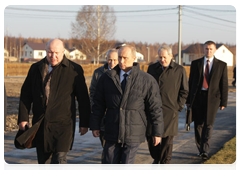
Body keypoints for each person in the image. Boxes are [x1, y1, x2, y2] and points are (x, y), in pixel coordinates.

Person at [18, 39, 91, 169]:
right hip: (41, 124)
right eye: (50, 52)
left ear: (63, 52)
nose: (53, 56)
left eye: (56, 52)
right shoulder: (36, 69)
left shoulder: (74, 70)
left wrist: (85, 123)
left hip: (63, 125)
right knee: (44, 163)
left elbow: (83, 99)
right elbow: (26, 95)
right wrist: (23, 118)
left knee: (59, 161)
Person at [90, 45, 164, 170]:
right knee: (109, 165)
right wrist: (95, 125)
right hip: (112, 130)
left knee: (126, 167)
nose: (121, 61)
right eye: (119, 57)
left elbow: (155, 108)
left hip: (133, 133)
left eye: (125, 58)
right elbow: (98, 104)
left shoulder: (146, 80)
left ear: (134, 58)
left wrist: (157, 132)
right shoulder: (107, 78)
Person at [146, 45, 189, 170]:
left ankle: (165, 165)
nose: (162, 60)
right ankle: (156, 157)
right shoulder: (152, 68)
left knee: (167, 141)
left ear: (171, 56)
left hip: (170, 111)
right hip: (152, 110)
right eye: (160, 57)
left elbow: (184, 90)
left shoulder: (179, 70)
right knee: (151, 138)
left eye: (165, 57)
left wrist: (178, 106)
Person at [186, 40, 228, 160]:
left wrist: (223, 101)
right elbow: (191, 82)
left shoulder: (221, 65)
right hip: (198, 97)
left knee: (208, 124)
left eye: (210, 49)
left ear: (214, 50)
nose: (208, 51)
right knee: (198, 124)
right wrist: (188, 100)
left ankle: (205, 150)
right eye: (206, 48)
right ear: (203, 49)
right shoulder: (196, 63)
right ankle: (200, 148)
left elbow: (223, 84)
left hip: (213, 99)